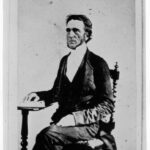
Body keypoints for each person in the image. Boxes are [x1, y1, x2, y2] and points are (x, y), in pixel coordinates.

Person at [24, 14, 117, 150]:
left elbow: (107, 105)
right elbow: (56, 93)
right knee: (50, 139)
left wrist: (75, 118)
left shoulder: (98, 63)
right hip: (62, 123)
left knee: (47, 135)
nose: (70, 34)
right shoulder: (64, 61)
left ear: (87, 34)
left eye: (76, 30)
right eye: (68, 30)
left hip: (87, 126)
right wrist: (39, 95)